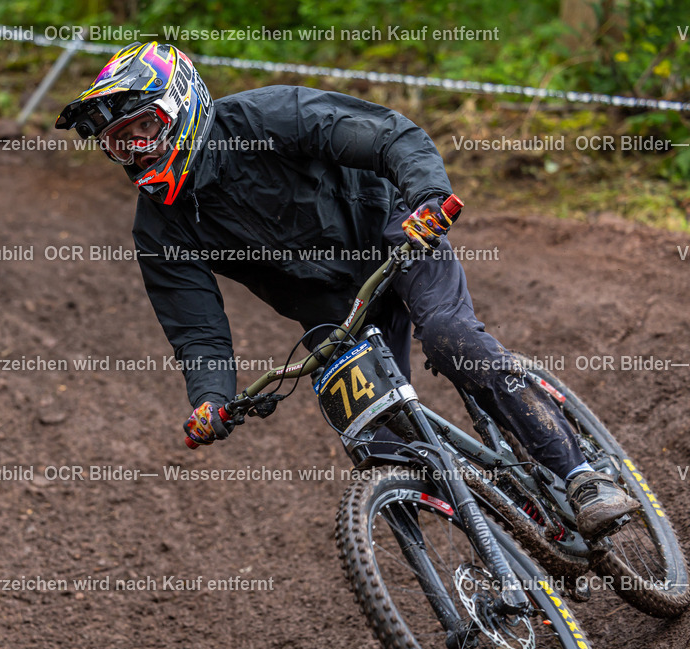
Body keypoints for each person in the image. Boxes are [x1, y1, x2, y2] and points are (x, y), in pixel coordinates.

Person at [55, 41, 639, 538]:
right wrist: (210, 397)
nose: (136, 149)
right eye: (118, 141)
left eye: (144, 129)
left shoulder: (268, 116)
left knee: (450, 336)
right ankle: (510, 548)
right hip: (332, 310)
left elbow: (389, 137)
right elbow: (196, 324)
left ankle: (580, 473)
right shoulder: (158, 224)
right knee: (379, 443)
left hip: (395, 235)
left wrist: (428, 197)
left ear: (180, 107)